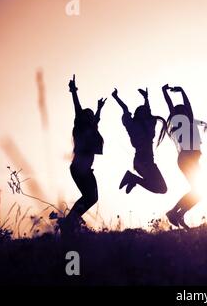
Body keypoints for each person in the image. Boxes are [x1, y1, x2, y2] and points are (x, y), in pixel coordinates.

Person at [60, 74, 106, 234]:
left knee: (92, 198)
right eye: (89, 115)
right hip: (80, 168)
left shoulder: (91, 128)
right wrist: (73, 91)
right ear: (84, 117)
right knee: (90, 197)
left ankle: (70, 221)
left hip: (84, 169)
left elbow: (96, 122)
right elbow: (78, 109)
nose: (92, 118)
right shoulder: (80, 125)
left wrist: (99, 109)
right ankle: (70, 221)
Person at [163, 84, 207, 228]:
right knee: (198, 190)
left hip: (188, 159)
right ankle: (174, 213)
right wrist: (179, 91)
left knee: (199, 191)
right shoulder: (182, 120)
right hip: (187, 159)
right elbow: (181, 106)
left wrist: (170, 92)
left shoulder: (182, 121)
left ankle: (178, 214)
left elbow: (179, 106)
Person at [112, 87, 168, 194]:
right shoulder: (132, 125)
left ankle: (133, 179)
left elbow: (148, 108)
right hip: (141, 161)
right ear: (137, 113)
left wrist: (146, 97)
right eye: (141, 111)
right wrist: (116, 97)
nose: (145, 112)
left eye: (145, 112)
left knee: (162, 188)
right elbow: (125, 108)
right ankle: (132, 178)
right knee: (160, 188)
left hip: (149, 162)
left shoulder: (150, 123)